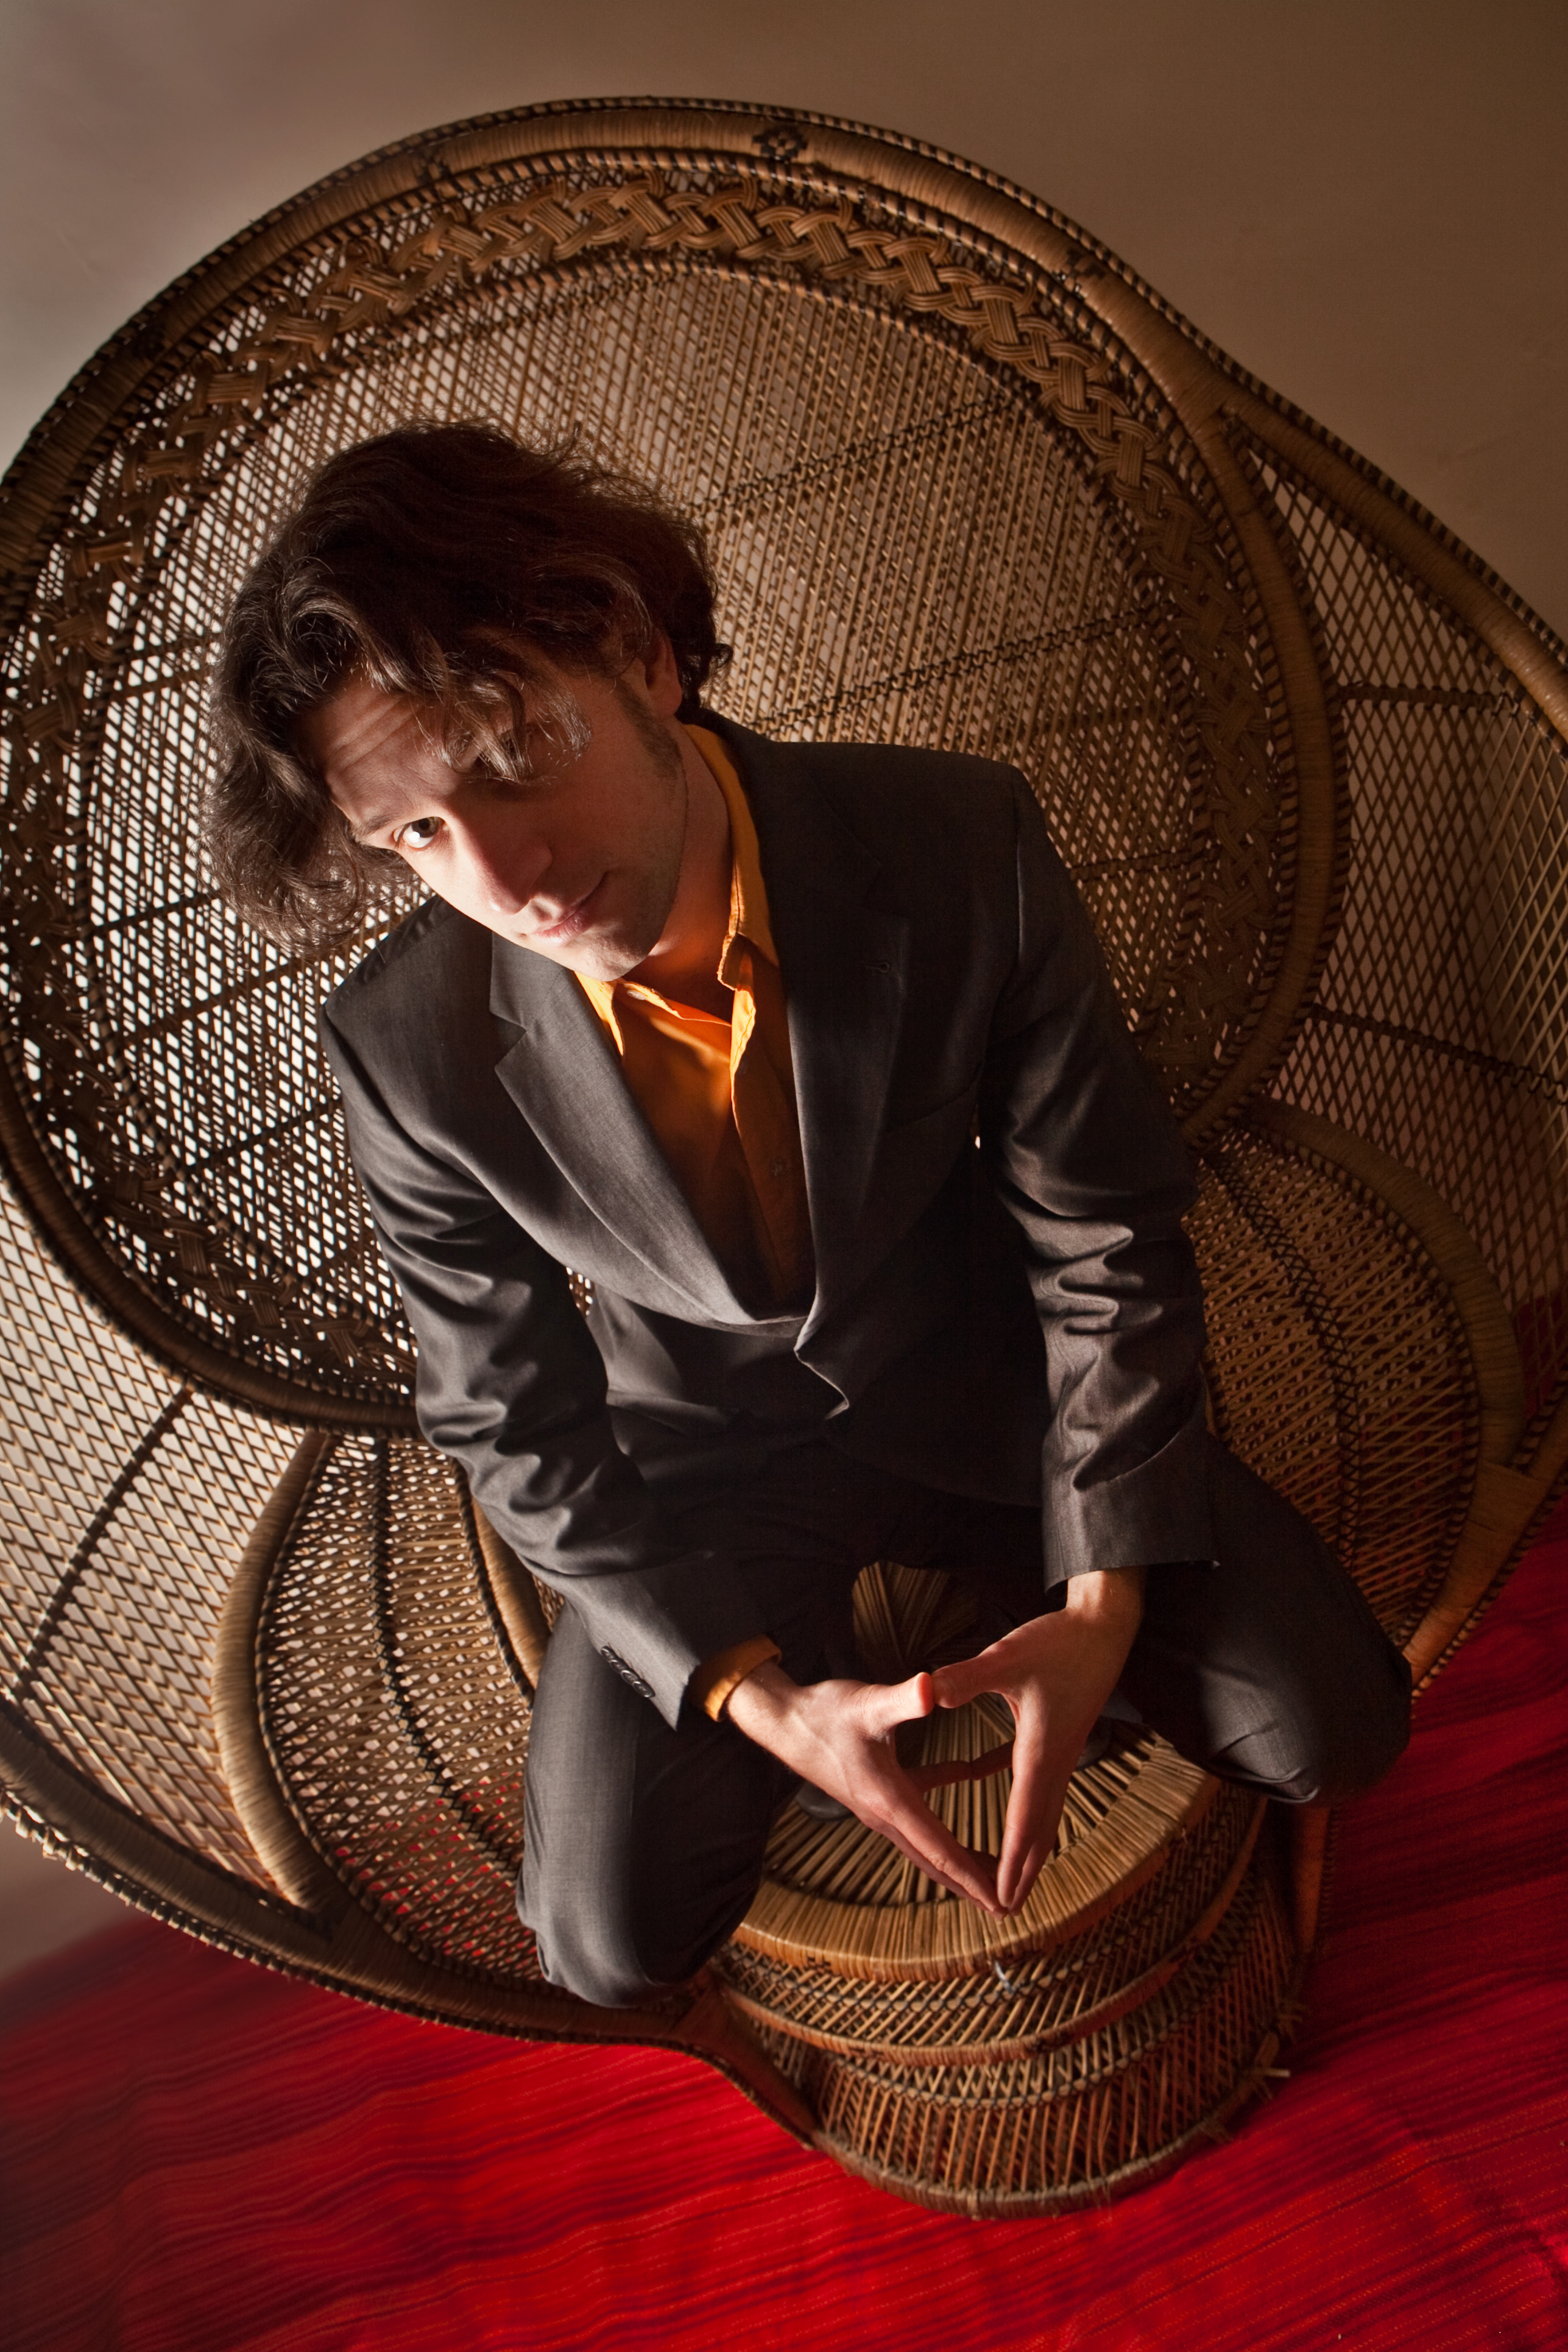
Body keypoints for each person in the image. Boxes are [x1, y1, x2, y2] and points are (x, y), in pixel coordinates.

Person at [205, 422, 1410, 2010]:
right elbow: (504, 1412)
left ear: (640, 652)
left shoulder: (959, 845)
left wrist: (1104, 1602)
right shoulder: (403, 1044)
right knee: (606, 1940)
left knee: (1333, 1723)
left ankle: (1045, 1655)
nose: (505, 875)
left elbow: (1105, 1234)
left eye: (507, 759)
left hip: (990, 1389)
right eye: (417, 834)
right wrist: (766, 1705)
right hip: (706, 1457)